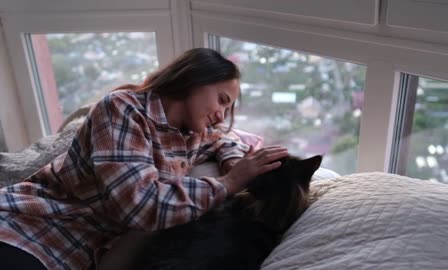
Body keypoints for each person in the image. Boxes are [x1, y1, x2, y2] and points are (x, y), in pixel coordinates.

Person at [0, 48, 288, 270]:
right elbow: (139, 205)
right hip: (30, 227)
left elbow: (227, 140)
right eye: (222, 100)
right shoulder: (122, 110)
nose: (222, 114)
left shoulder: (196, 134)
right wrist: (228, 183)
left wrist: (235, 162)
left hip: (76, 252)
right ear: (194, 79)